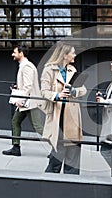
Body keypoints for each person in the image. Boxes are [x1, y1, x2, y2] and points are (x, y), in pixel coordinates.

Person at [40, 43, 86, 175]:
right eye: (73, 52)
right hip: (58, 115)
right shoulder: (49, 69)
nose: (75, 55)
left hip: (73, 116)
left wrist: (74, 91)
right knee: (58, 152)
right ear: (64, 55)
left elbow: (83, 89)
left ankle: (73, 186)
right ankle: (50, 184)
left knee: (74, 152)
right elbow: (43, 91)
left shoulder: (72, 70)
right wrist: (57, 95)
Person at [2, 44, 43, 156]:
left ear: (21, 53)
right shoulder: (24, 66)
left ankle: (58, 147)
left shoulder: (27, 66)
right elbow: (25, 85)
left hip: (30, 102)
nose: (12, 54)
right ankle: (16, 147)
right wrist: (17, 88)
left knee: (38, 127)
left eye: (14, 52)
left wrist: (19, 100)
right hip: (26, 102)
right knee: (15, 121)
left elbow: (28, 86)